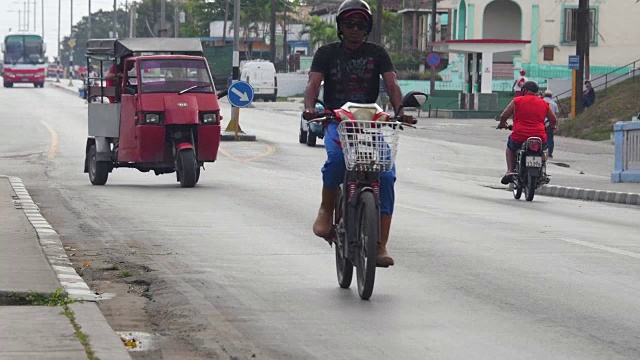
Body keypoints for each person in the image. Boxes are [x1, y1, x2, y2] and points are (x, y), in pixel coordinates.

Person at [302, 0, 413, 267]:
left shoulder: (378, 53)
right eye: (349, 23)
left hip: (371, 123)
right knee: (337, 161)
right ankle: (326, 210)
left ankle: (380, 244)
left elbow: (392, 84)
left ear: (367, 28)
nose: (354, 28)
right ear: (340, 26)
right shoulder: (326, 53)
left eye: (360, 24)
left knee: (386, 174)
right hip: (337, 121)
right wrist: (309, 107)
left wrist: (399, 110)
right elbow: (313, 83)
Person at [497, 81, 557, 185]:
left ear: (524, 90)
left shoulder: (517, 101)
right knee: (544, 150)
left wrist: (502, 124)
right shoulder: (544, 103)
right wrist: (551, 127)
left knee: (510, 148)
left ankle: (510, 171)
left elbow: (504, 116)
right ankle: (542, 170)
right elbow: (553, 119)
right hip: (539, 135)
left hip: (519, 135)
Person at [542, 89, 559, 158]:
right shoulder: (554, 104)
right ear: (551, 96)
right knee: (550, 137)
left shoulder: (541, 102)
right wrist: (556, 125)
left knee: (541, 136)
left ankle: (542, 150)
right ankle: (549, 152)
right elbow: (556, 116)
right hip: (550, 123)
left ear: (544, 95)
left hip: (541, 122)